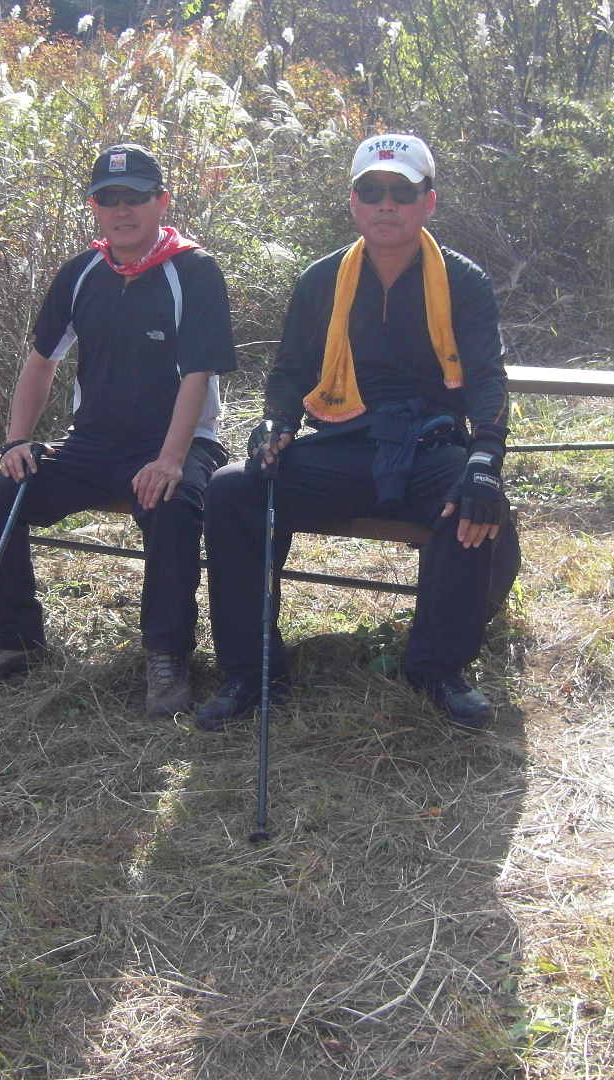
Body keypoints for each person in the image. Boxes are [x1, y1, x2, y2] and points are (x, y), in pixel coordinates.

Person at [196, 133, 517, 731]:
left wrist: (485, 459)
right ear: (353, 201)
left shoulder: (464, 280)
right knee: (232, 489)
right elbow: (290, 371)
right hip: (342, 444)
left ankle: (437, 669)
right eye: (372, 191)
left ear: (428, 202)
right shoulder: (321, 279)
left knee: (470, 496)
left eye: (401, 191)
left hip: (430, 448)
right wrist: (275, 422)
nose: (386, 204)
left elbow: (487, 378)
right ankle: (250, 671)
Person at [0, 143, 237, 717]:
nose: (122, 210)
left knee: (171, 505)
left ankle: (167, 655)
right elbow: (42, 360)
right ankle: (13, 639)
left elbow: (198, 373)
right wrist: (16, 441)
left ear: (161, 201)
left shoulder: (194, 271)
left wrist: (169, 460)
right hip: (93, 444)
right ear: (94, 207)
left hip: (179, 443)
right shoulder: (82, 272)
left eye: (135, 197)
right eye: (109, 199)